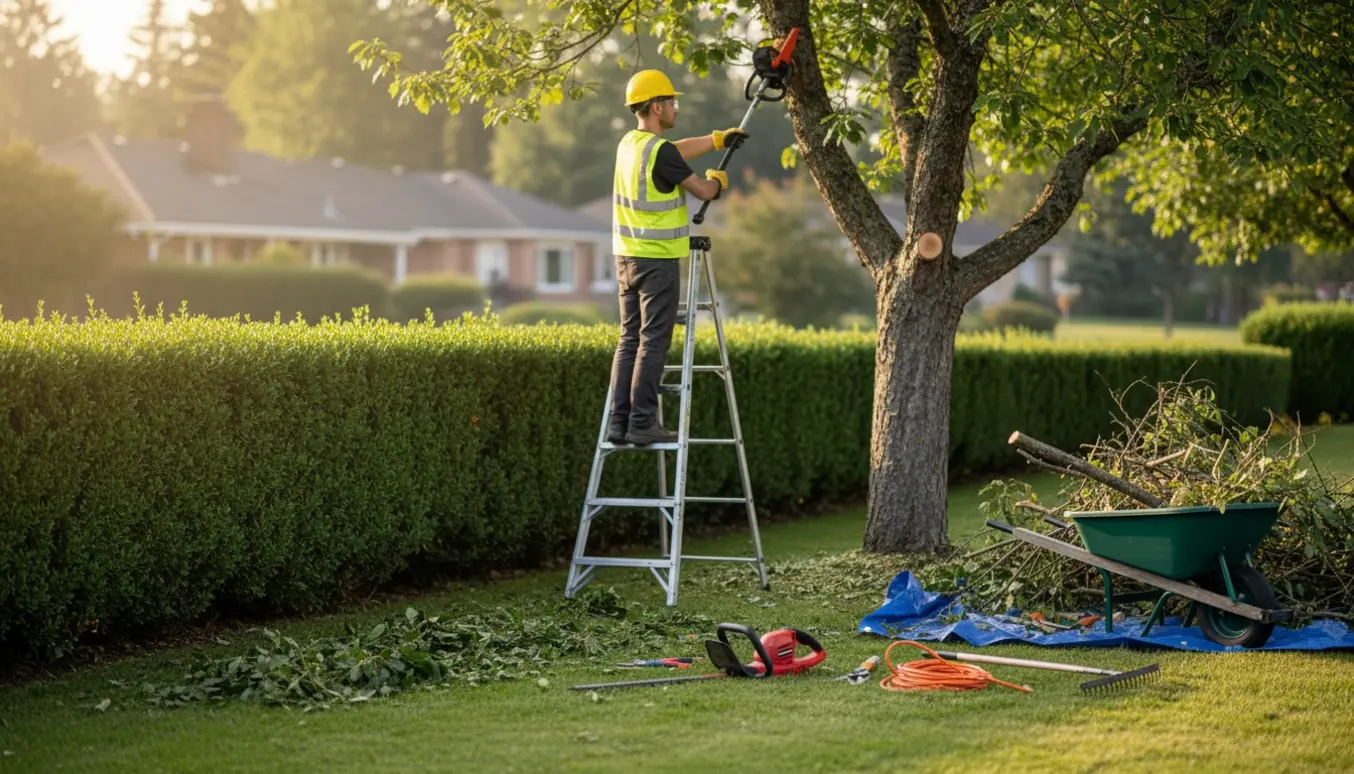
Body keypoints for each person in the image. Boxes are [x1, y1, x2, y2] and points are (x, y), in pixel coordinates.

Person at [607, 69, 747, 446]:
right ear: (657, 106)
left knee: (629, 340)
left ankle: (618, 424)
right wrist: (717, 182)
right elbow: (702, 190)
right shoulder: (659, 152)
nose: (676, 108)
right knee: (654, 342)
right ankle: (642, 423)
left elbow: (674, 151)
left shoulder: (629, 144)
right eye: (672, 102)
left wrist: (716, 140)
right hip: (658, 263)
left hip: (626, 260)